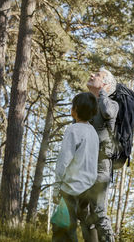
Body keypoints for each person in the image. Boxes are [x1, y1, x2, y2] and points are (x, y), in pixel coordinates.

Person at [52, 92, 99, 242]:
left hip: (70, 188)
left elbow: (64, 160)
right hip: (89, 188)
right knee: (88, 226)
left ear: (75, 109)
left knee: (64, 228)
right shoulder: (93, 132)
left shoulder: (73, 130)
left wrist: (56, 187)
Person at [85, 68, 119, 242]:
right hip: (84, 166)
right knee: (82, 212)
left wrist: (102, 93)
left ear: (105, 83)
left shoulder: (111, 103)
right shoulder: (89, 105)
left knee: (98, 213)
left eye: (97, 75)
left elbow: (107, 113)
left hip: (100, 166)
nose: (91, 75)